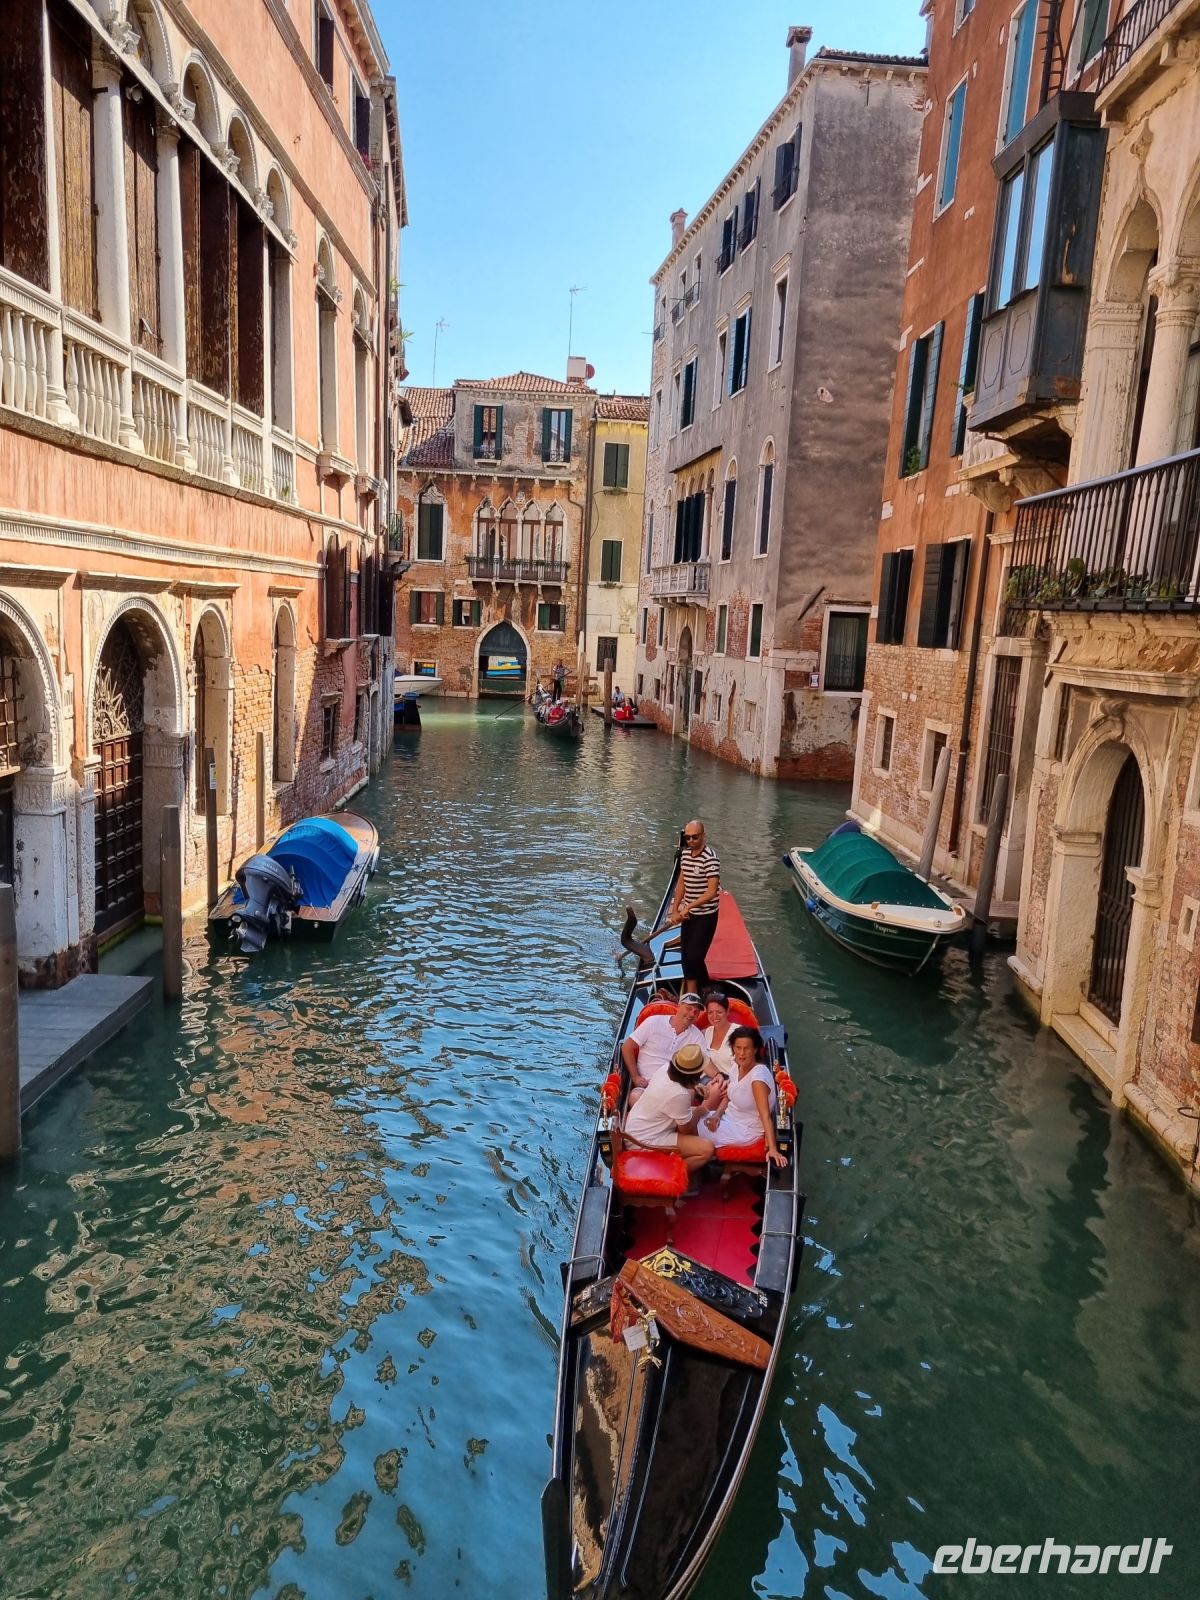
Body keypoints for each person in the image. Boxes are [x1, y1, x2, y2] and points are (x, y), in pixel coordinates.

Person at [623, 1043, 723, 1176]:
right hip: (644, 1142)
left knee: (692, 1116)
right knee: (707, 1149)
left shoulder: (666, 1068)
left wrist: (695, 1086)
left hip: (636, 1129)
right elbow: (686, 1129)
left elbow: (678, 1087)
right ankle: (671, 1174)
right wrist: (700, 1110)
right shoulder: (679, 1094)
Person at [702, 1026, 785, 1166]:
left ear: (755, 1049)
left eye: (746, 1048)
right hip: (727, 1118)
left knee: (689, 1128)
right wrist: (717, 1114)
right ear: (733, 1048)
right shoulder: (737, 1066)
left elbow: (765, 1116)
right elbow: (729, 1096)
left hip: (744, 1130)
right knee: (691, 1116)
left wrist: (773, 1149)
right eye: (738, 1048)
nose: (741, 1053)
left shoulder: (758, 1079)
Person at [667, 821, 721, 989]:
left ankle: (707, 989)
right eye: (688, 838)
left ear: (703, 836)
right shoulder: (684, 855)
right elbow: (681, 884)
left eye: (695, 837)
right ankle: (691, 993)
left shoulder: (710, 858)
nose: (691, 841)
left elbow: (712, 891)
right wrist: (675, 909)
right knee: (685, 955)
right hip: (688, 913)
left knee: (695, 957)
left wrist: (687, 907)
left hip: (706, 915)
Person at [621, 992, 707, 1094]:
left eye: (696, 1011)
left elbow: (706, 1063)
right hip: (646, 1085)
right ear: (679, 1006)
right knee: (635, 1096)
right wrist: (635, 1077)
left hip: (675, 1089)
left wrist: (718, 1075)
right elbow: (627, 1047)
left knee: (690, 1094)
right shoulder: (654, 1022)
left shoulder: (697, 1036)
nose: (692, 1014)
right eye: (688, 1008)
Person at [702, 989, 736, 1078]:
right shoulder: (705, 1033)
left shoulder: (739, 1033)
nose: (714, 1017)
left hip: (733, 1083)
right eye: (710, 1013)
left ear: (727, 1011)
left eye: (719, 1012)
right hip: (709, 1082)